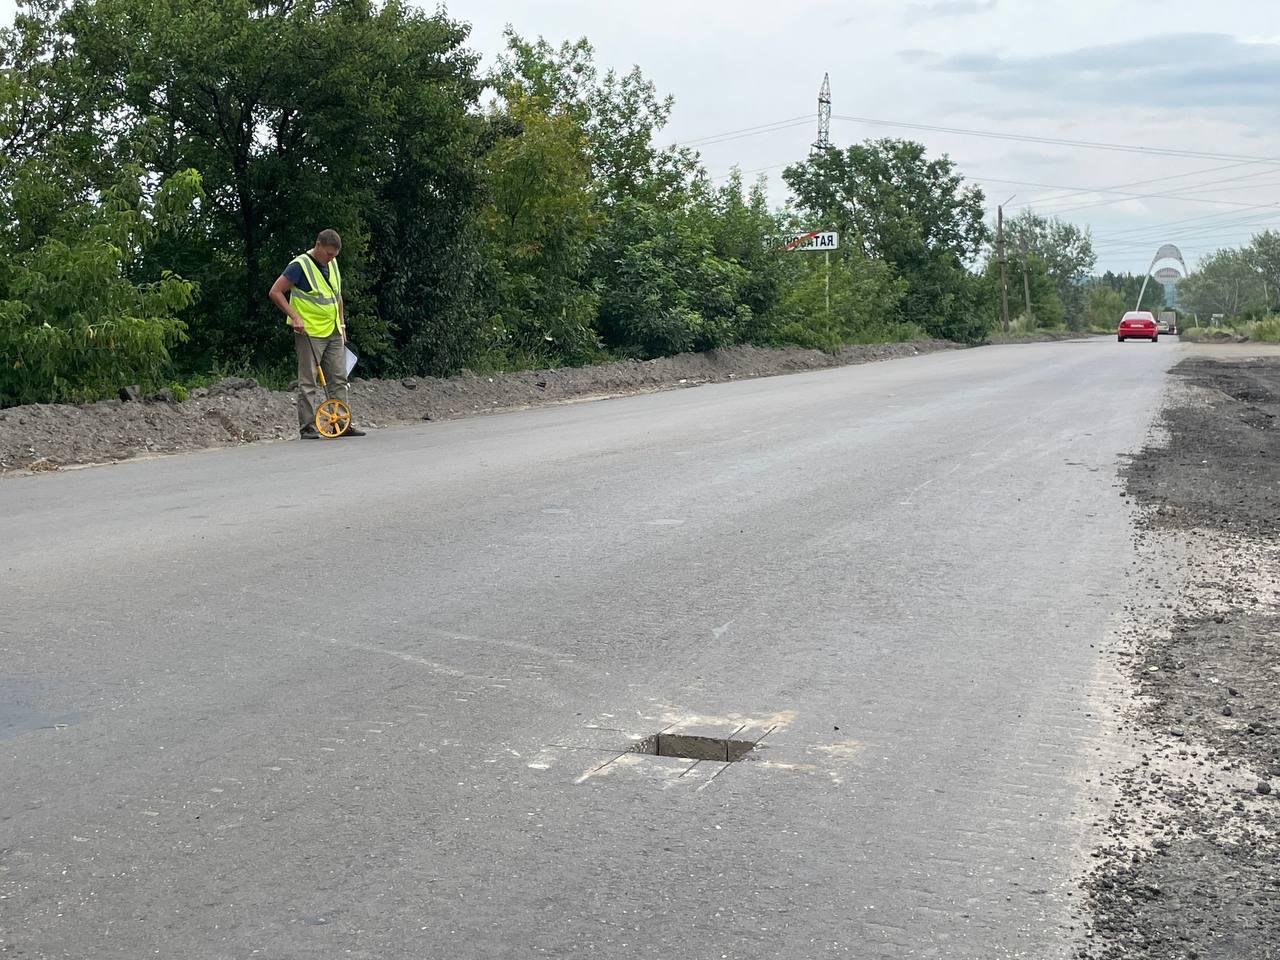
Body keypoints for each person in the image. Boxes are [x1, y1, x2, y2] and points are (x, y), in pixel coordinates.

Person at [268, 229, 365, 438]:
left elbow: (336, 296)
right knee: (309, 380)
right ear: (318, 245)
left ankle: (340, 424)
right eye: (328, 254)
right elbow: (275, 291)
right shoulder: (299, 266)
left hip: (333, 330)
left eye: (334, 255)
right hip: (309, 332)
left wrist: (342, 325)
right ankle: (308, 428)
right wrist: (295, 317)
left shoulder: (333, 263)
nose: (331, 259)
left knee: (339, 378)